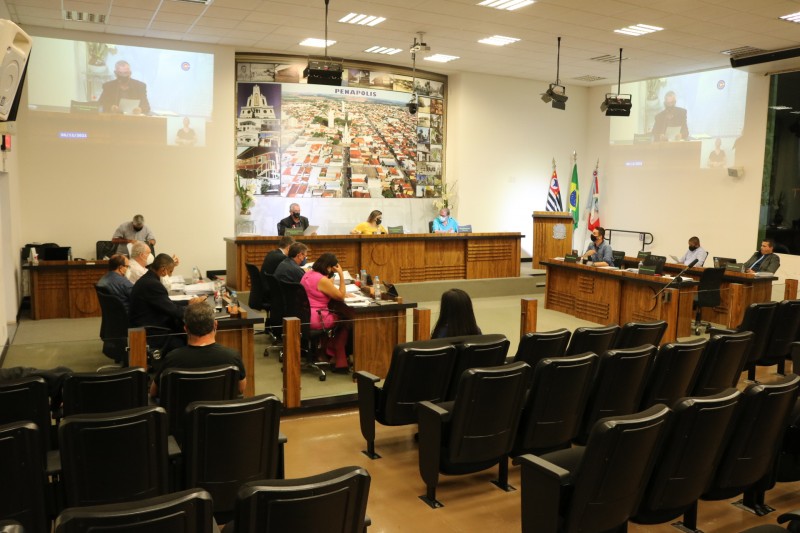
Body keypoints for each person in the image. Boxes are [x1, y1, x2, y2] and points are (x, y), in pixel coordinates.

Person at [148, 303, 246, 398]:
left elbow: (153, 392)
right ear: (215, 325)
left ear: (186, 329)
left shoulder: (172, 359)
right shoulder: (232, 357)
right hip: (219, 414)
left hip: (182, 414)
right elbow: (241, 389)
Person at [129, 253, 206, 346]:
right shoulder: (152, 284)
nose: (170, 274)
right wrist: (195, 309)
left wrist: (188, 302)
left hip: (146, 326)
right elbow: (175, 311)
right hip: (151, 333)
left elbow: (165, 302)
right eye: (170, 271)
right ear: (163, 269)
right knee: (188, 338)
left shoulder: (148, 279)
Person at [300, 252, 350, 372]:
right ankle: (337, 356)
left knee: (337, 316)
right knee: (346, 320)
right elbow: (341, 296)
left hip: (304, 316)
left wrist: (330, 285)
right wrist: (341, 275)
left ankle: (323, 352)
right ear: (329, 267)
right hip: (318, 318)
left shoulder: (308, 274)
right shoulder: (322, 280)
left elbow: (318, 290)